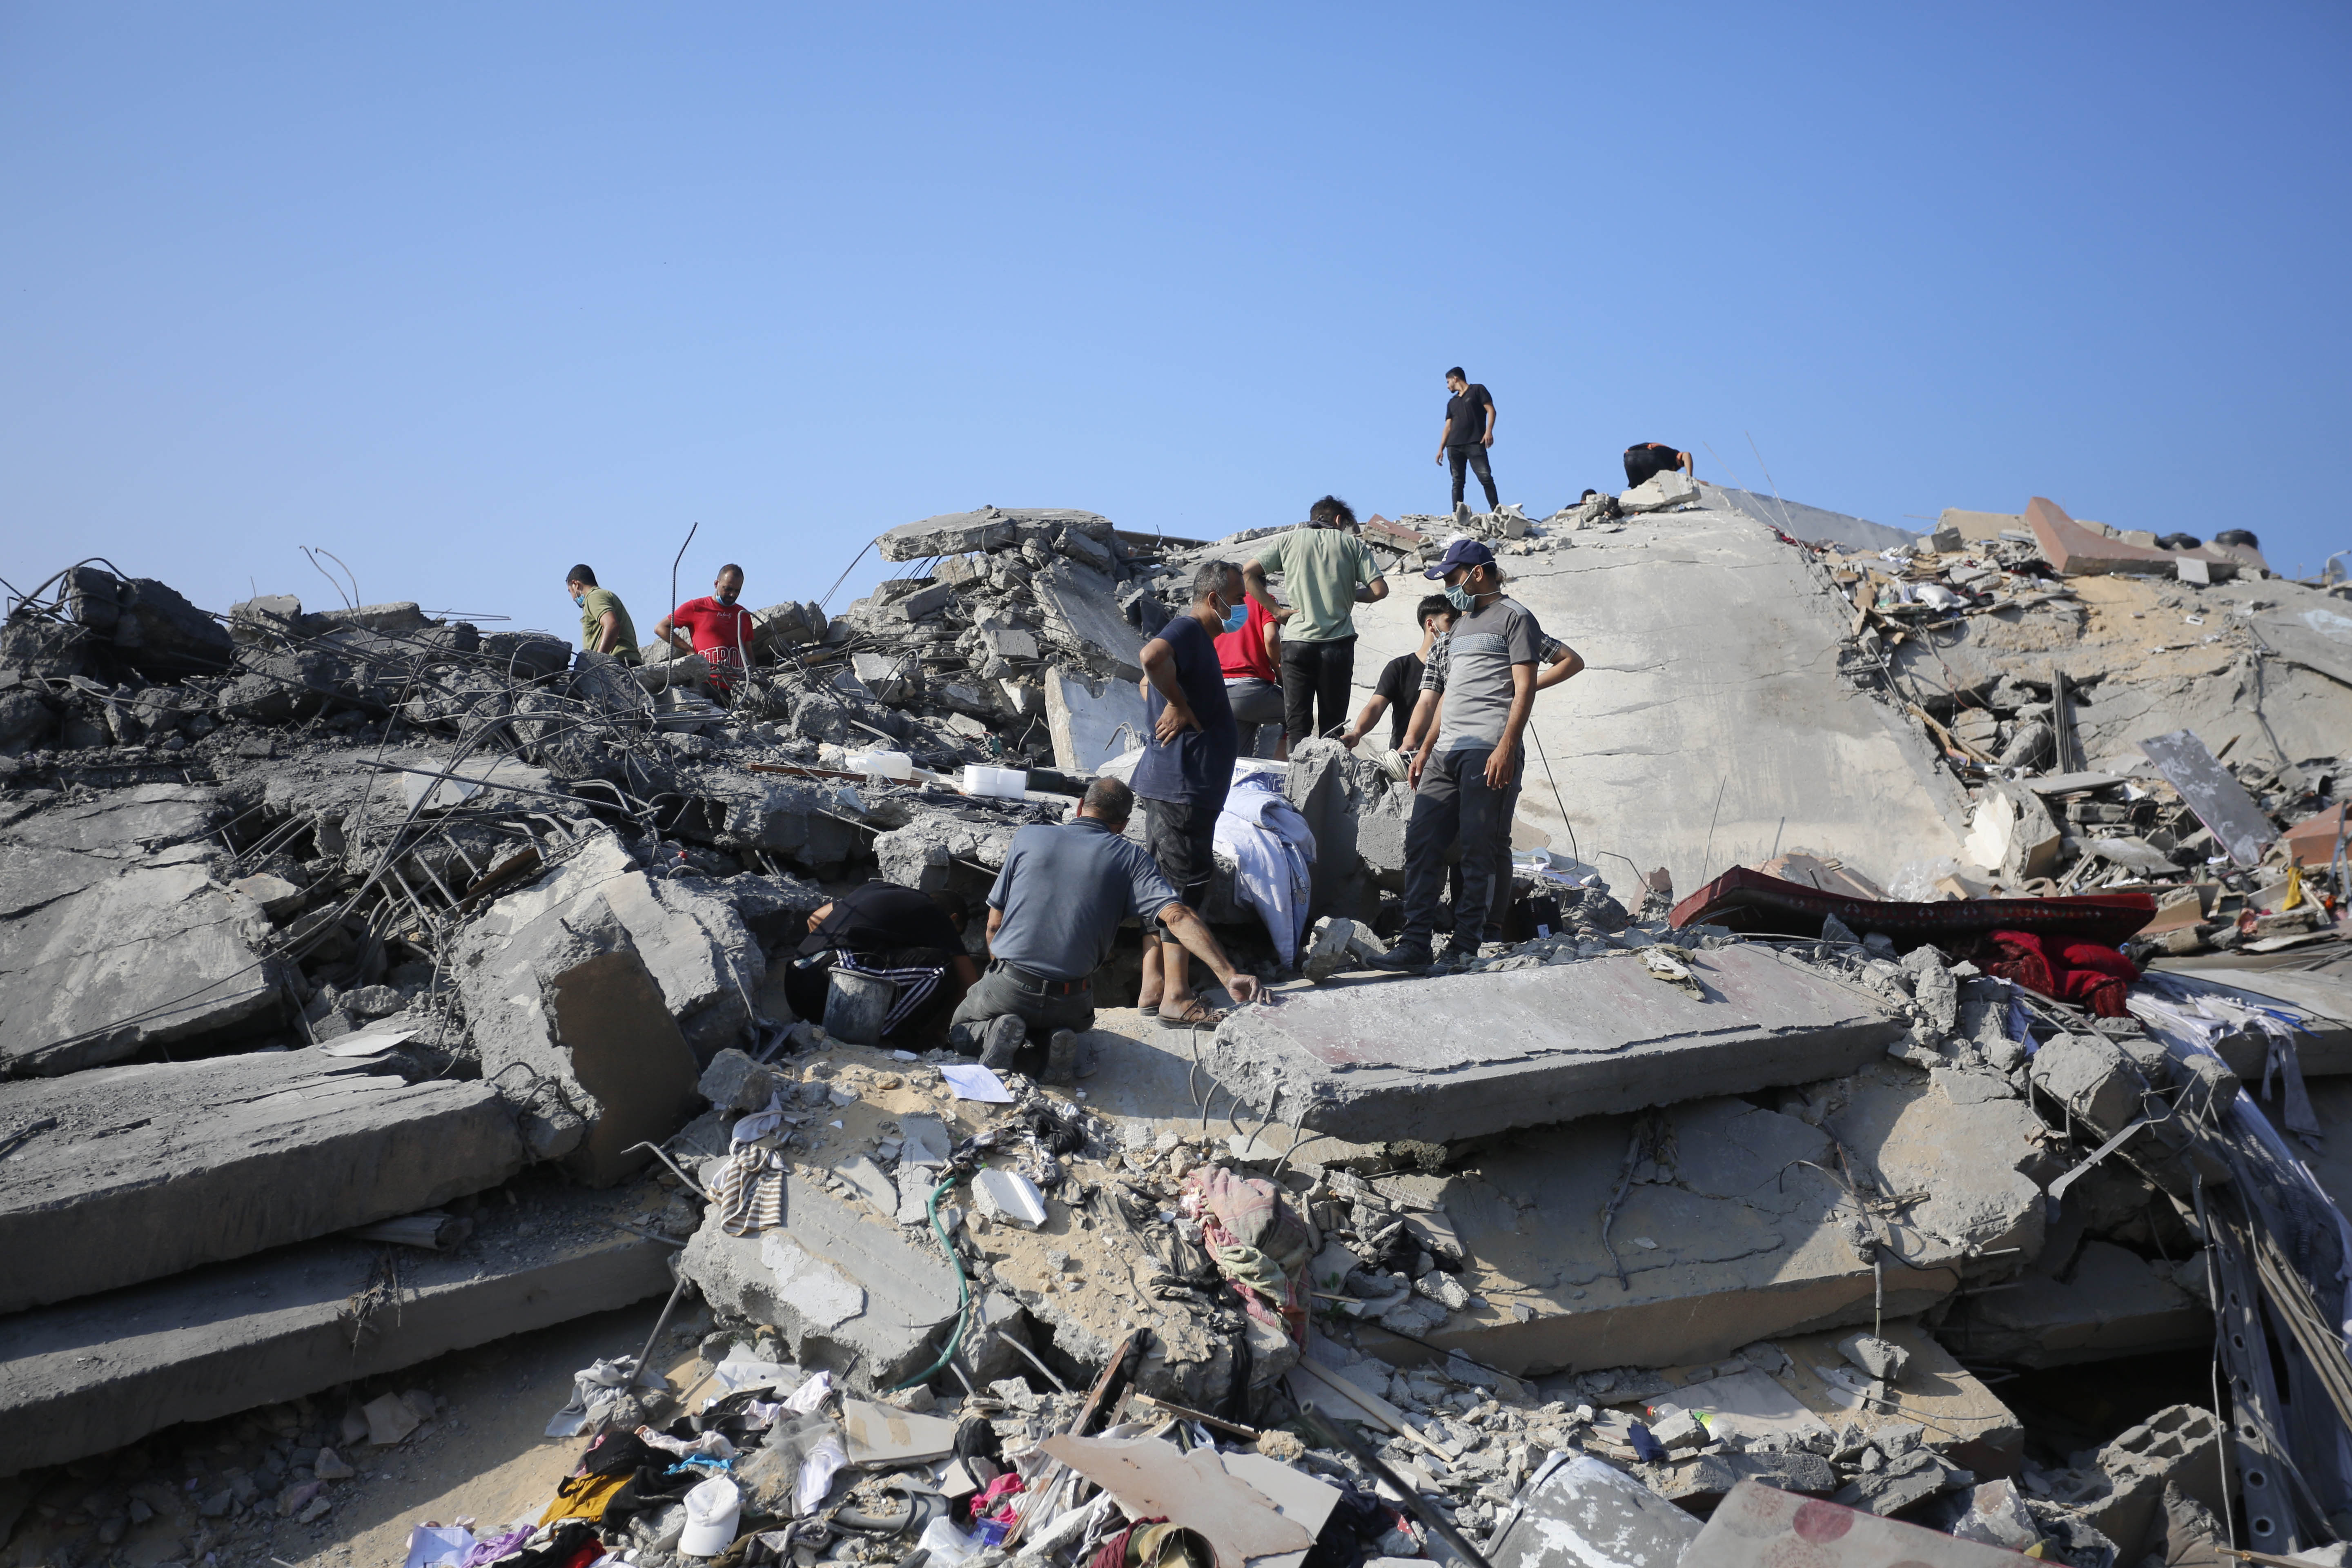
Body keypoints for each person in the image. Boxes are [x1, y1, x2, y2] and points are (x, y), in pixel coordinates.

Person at [950, 777, 1260, 1076]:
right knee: (1062, 1020)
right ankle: (1052, 1039)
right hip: (1072, 1000)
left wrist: (1002, 978)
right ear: (1124, 825)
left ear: (1081, 805)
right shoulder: (1134, 858)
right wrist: (1229, 975)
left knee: (961, 1028)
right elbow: (1178, 917)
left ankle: (999, 1029)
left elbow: (994, 925)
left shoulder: (1029, 836)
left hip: (1011, 985)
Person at [1374, 539, 1582, 970]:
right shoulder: (1456, 631)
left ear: (1478, 573)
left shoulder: (1516, 618)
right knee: (1422, 844)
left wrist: (1507, 745)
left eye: (1453, 578)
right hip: (1445, 753)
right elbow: (1446, 695)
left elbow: (1523, 688)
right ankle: (1414, 944)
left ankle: (1465, 945)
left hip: (1488, 748)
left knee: (1478, 848)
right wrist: (1424, 749)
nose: (1451, 587)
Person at [1134, 561, 1245, 1028]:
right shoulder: (1185, 629)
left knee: (1162, 891)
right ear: (1214, 598)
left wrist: (1170, 703)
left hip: (1175, 783)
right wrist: (1178, 705)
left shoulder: (1198, 640)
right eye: (1238, 599)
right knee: (1184, 891)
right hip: (1183, 789)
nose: (1242, 608)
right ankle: (1177, 997)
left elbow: (1146, 685)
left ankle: (1153, 987)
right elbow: (1150, 662)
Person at [1243, 496, 1388, 751]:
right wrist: (1346, 592)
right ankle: (1327, 784)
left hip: (1297, 644)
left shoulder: (1289, 540)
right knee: (1333, 727)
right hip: (1338, 646)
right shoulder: (1351, 545)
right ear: (1339, 520)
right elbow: (1379, 590)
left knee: (1297, 725)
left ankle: (1297, 783)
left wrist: (1276, 611)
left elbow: (1248, 572)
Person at [784, 884, 978, 1047]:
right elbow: (969, 983)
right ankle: (886, 1038)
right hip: (832, 986)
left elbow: (814, 919)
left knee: (881, 965)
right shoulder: (938, 915)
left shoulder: (878, 890)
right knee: (942, 965)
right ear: (952, 919)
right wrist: (940, 1029)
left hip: (796, 987)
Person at [1342, 594, 1454, 754]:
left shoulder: (1457, 669)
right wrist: (1357, 732)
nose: (1456, 629)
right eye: (1451, 622)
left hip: (1444, 756)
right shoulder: (1400, 668)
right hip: (1405, 755)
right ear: (1431, 625)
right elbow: (1375, 706)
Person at [655, 564, 759, 690]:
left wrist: (754, 679)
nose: (732, 595)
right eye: (728, 589)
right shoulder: (697, 607)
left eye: (737, 591)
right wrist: (689, 650)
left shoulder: (743, 615)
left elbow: (749, 653)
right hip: (706, 684)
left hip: (736, 689)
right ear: (716, 584)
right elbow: (661, 628)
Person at [1216, 582, 1287, 760]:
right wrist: (1280, 677)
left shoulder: (1221, 603)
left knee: (1238, 758)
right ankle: (1284, 771)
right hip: (1250, 690)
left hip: (1218, 691)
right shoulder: (1264, 600)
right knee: (1299, 711)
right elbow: (1271, 638)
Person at [1435, 368, 1499, 515]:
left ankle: (1496, 510)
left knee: (1486, 477)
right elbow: (1448, 427)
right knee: (1458, 482)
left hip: (1475, 442)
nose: (1447, 386)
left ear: (1455, 379)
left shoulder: (1478, 390)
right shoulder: (1452, 402)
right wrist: (1441, 449)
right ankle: (1457, 514)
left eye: (1448, 382)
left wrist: (1489, 431)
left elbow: (1491, 410)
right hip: (1454, 446)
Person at [565, 565, 641, 664]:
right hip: (621, 662)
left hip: (617, 662)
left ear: (576, 584)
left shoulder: (594, 597)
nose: (573, 598)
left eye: (570, 591)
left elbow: (612, 625)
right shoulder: (601, 595)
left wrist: (597, 663)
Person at [1623, 443, 1693, 488]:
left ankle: (1636, 511)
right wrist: (1690, 478)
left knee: (1638, 491)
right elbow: (1686, 455)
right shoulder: (1672, 455)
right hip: (1650, 457)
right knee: (1665, 487)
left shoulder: (1660, 449)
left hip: (1629, 458)